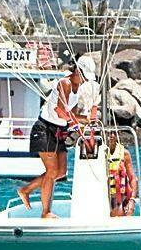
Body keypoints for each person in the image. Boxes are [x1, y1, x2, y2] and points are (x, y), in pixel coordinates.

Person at [19, 56, 98, 218]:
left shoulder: (76, 88)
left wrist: (87, 119)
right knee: (52, 171)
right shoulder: (65, 83)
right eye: (83, 76)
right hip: (44, 130)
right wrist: (77, 122)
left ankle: (26, 190)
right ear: (77, 70)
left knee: (61, 172)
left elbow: (72, 114)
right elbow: (59, 111)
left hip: (58, 131)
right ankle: (45, 212)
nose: (84, 81)